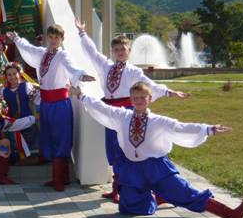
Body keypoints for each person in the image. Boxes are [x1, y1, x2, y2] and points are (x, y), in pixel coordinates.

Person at [72, 82, 243, 218]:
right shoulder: (122, 116)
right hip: (132, 169)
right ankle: (159, 197)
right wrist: (81, 95)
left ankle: (232, 214)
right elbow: (102, 108)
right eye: (135, 98)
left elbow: (181, 127)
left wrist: (208, 129)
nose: (139, 101)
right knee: (129, 208)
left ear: (150, 99)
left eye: (143, 97)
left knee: (186, 193)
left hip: (157, 168)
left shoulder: (159, 121)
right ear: (131, 100)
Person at [76, 19, 189, 203]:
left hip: (126, 113)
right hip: (110, 113)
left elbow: (149, 85)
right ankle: (116, 188)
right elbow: (92, 52)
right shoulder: (106, 66)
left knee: (126, 150)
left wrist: (169, 92)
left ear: (129, 51)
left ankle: (130, 189)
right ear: (113, 51)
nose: (120, 52)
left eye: (123, 49)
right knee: (113, 150)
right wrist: (82, 33)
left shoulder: (134, 71)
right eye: (116, 49)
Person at [9, 25, 95, 191]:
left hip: (60, 104)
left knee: (61, 137)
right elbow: (29, 49)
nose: (53, 40)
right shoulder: (43, 53)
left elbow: (72, 67)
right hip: (46, 103)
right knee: (48, 136)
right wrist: (17, 39)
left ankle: (59, 180)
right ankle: (59, 178)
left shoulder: (63, 55)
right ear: (47, 38)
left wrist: (81, 75)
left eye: (57, 38)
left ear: (62, 40)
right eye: (51, 37)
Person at [0, 97, 37, 184]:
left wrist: (35, 118)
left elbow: (19, 123)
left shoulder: (4, 122)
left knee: (6, 143)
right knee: (5, 143)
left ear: (2, 110)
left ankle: (0, 175)